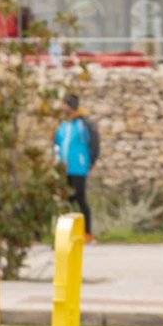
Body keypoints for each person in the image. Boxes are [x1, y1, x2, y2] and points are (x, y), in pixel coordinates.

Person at [55, 93, 99, 238]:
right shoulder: (63, 125)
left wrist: (90, 162)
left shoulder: (83, 124)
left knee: (80, 198)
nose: (62, 107)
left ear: (71, 106)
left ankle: (87, 233)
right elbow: (57, 143)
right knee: (67, 200)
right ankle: (67, 234)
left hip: (79, 167)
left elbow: (94, 143)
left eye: (65, 104)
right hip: (64, 168)